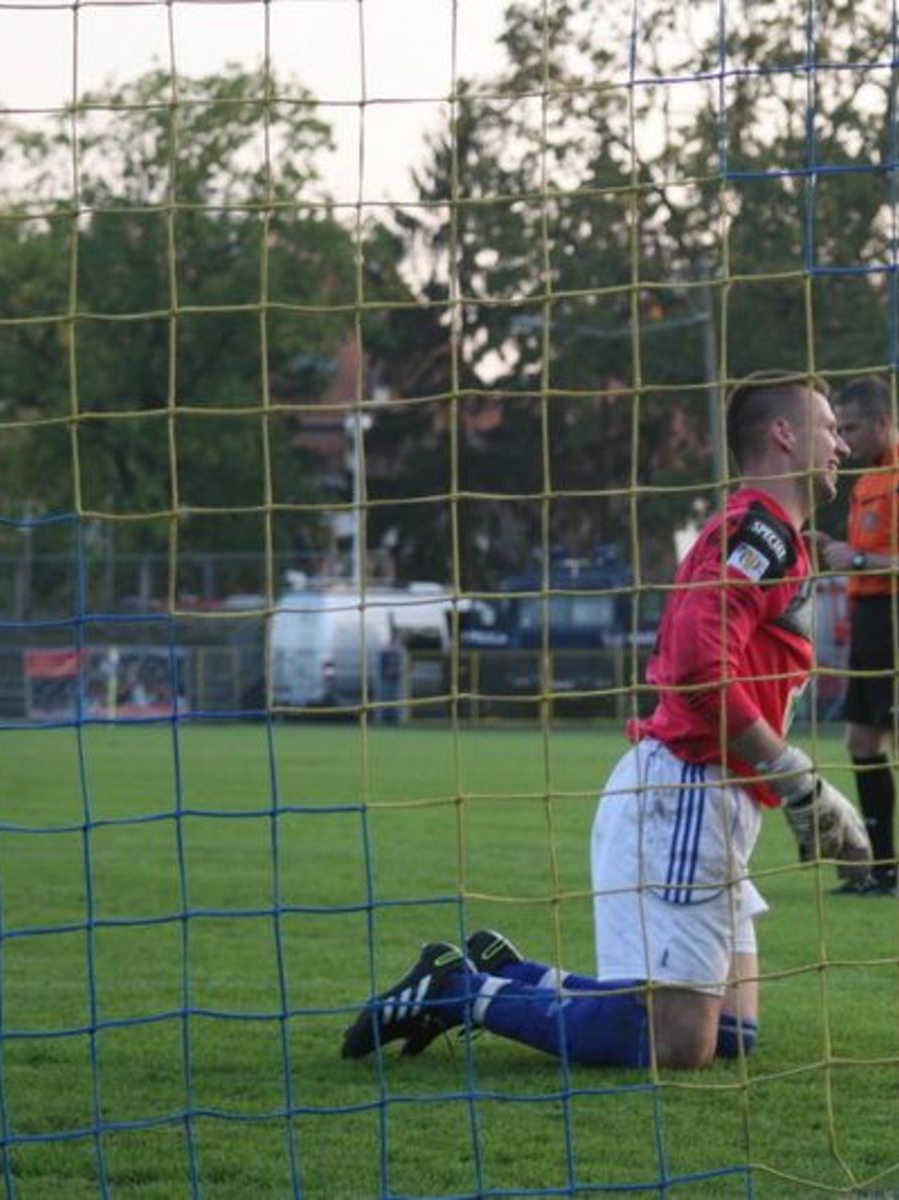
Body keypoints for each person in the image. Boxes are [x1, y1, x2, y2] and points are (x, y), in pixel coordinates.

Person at [340, 371, 870, 1071]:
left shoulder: (778, 539)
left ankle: (516, 976)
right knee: (675, 1043)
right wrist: (795, 777)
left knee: (731, 1036)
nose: (842, 446)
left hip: (716, 796)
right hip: (686, 794)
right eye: (830, 428)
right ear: (782, 434)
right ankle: (459, 992)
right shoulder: (757, 534)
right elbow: (694, 666)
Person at [809, 375, 899, 898]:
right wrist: (836, 548)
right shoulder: (867, 479)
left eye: (852, 427)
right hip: (866, 618)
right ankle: (880, 868)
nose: (844, 438)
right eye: (838, 427)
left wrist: (860, 558)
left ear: (884, 422)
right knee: (860, 739)